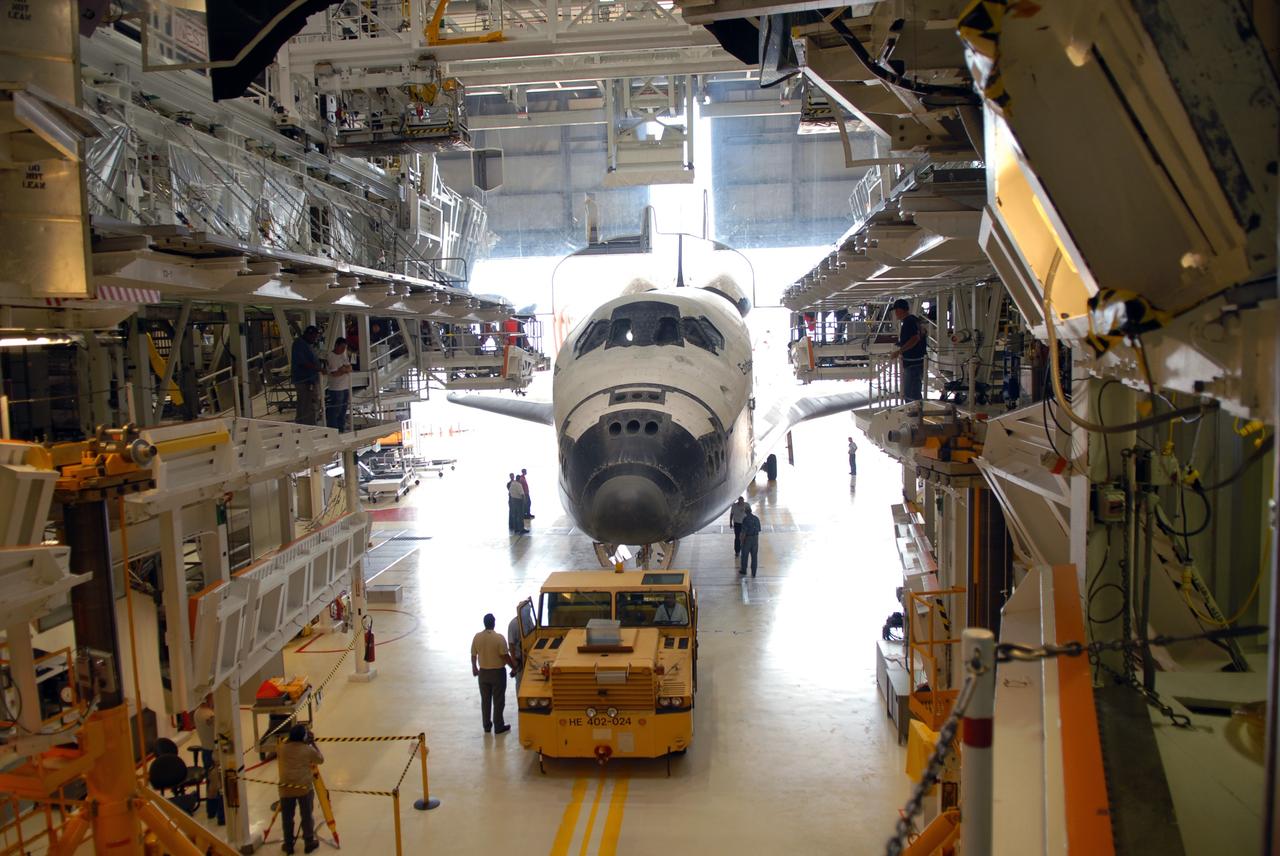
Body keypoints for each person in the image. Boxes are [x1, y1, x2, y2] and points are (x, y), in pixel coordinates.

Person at [276, 723, 324, 854]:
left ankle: (288, 844)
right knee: (307, 815)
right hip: (304, 787)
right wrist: (312, 743)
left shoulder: (282, 749)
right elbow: (320, 759)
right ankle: (309, 842)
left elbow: (286, 747)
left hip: (285, 787)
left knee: (287, 817)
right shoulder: (307, 750)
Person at [471, 614, 515, 734]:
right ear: (494, 623)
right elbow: (505, 656)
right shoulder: (499, 638)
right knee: (498, 701)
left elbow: (473, 654)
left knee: (485, 701)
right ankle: (498, 726)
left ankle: (486, 725)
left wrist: (474, 667)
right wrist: (514, 667)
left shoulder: (477, 637)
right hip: (497, 673)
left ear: (484, 623)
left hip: (483, 673)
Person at [892, 298, 927, 402]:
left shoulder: (908, 322)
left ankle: (914, 415)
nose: (895, 313)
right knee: (914, 391)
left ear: (900, 310)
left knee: (911, 394)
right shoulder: (915, 320)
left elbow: (914, 339)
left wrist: (899, 351)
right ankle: (916, 414)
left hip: (913, 363)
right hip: (917, 362)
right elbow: (921, 334)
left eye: (896, 311)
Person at [291, 326, 325, 426]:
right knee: (307, 403)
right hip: (303, 379)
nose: (315, 339)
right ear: (308, 334)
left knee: (307, 402)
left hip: (310, 379)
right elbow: (302, 362)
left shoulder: (307, 345)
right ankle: (307, 424)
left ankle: (304, 423)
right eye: (314, 336)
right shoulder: (299, 344)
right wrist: (319, 369)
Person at [324, 338, 352, 432]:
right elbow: (335, 373)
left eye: (345, 348)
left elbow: (349, 368)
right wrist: (343, 370)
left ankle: (341, 427)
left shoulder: (343, 355)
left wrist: (342, 369)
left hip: (345, 386)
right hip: (336, 388)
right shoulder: (331, 356)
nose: (343, 350)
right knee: (336, 409)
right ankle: (333, 428)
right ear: (336, 345)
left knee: (343, 410)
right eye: (342, 347)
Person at [194, 695, 216, 771]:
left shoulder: (197, 712)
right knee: (213, 776)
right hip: (212, 751)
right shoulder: (210, 715)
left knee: (208, 774)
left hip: (205, 750)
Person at [739, 504, 761, 577]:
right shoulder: (756, 518)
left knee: (744, 555)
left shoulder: (745, 519)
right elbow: (759, 529)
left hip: (748, 539)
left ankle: (744, 570)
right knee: (754, 556)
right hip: (756, 538)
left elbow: (744, 532)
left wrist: (742, 541)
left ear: (745, 511)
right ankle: (754, 572)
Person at [507, 613, 524, 685]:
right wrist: (514, 661)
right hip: (519, 659)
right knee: (520, 683)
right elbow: (511, 644)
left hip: (527, 658)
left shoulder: (528, 620)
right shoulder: (513, 624)